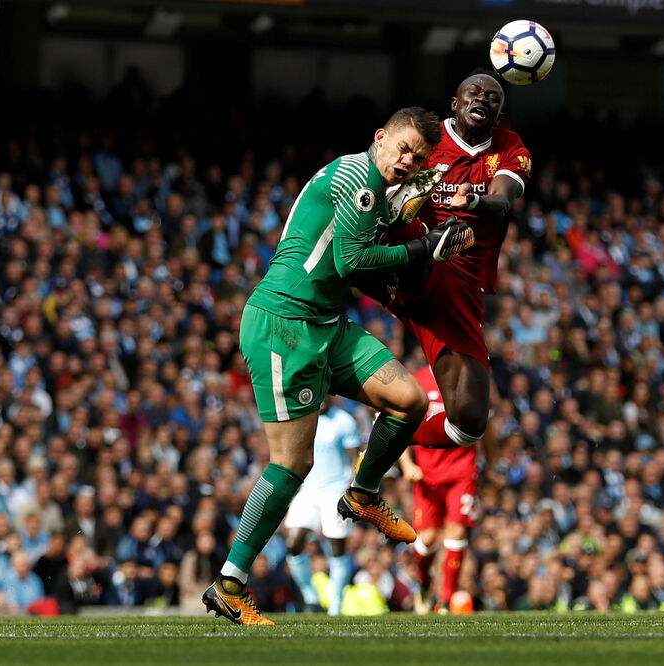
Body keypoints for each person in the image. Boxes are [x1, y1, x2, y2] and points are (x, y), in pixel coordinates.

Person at [202, 106, 473, 627]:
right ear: (380, 137)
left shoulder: (375, 186)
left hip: (326, 322)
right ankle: (229, 583)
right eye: (403, 148)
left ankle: (364, 493)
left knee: (408, 401)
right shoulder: (357, 178)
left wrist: (413, 223)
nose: (408, 160)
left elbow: (363, 244)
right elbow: (351, 261)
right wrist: (425, 248)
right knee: (290, 466)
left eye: (417, 156)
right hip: (284, 323)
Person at [388, 70, 531, 452]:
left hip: (462, 289)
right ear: (455, 104)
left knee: (470, 423)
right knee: (424, 239)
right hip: (414, 263)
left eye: (493, 97)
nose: (482, 99)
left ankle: (390, 441)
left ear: (499, 113)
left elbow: (502, 201)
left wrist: (473, 201)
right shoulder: (428, 142)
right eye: (473, 92)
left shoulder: (509, 147)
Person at [398, 366, 494, 613]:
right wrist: (408, 465)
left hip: (462, 471)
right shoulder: (416, 381)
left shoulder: (472, 379)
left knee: (456, 531)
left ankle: (444, 600)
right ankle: (424, 581)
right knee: (427, 538)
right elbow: (398, 426)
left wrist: (492, 465)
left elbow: (488, 425)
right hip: (427, 476)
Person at [284, 398, 360, 616]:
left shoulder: (344, 421)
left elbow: (355, 460)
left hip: (335, 492)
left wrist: (351, 491)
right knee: (293, 543)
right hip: (309, 490)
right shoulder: (305, 418)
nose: (323, 399)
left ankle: (335, 603)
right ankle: (311, 596)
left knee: (337, 548)